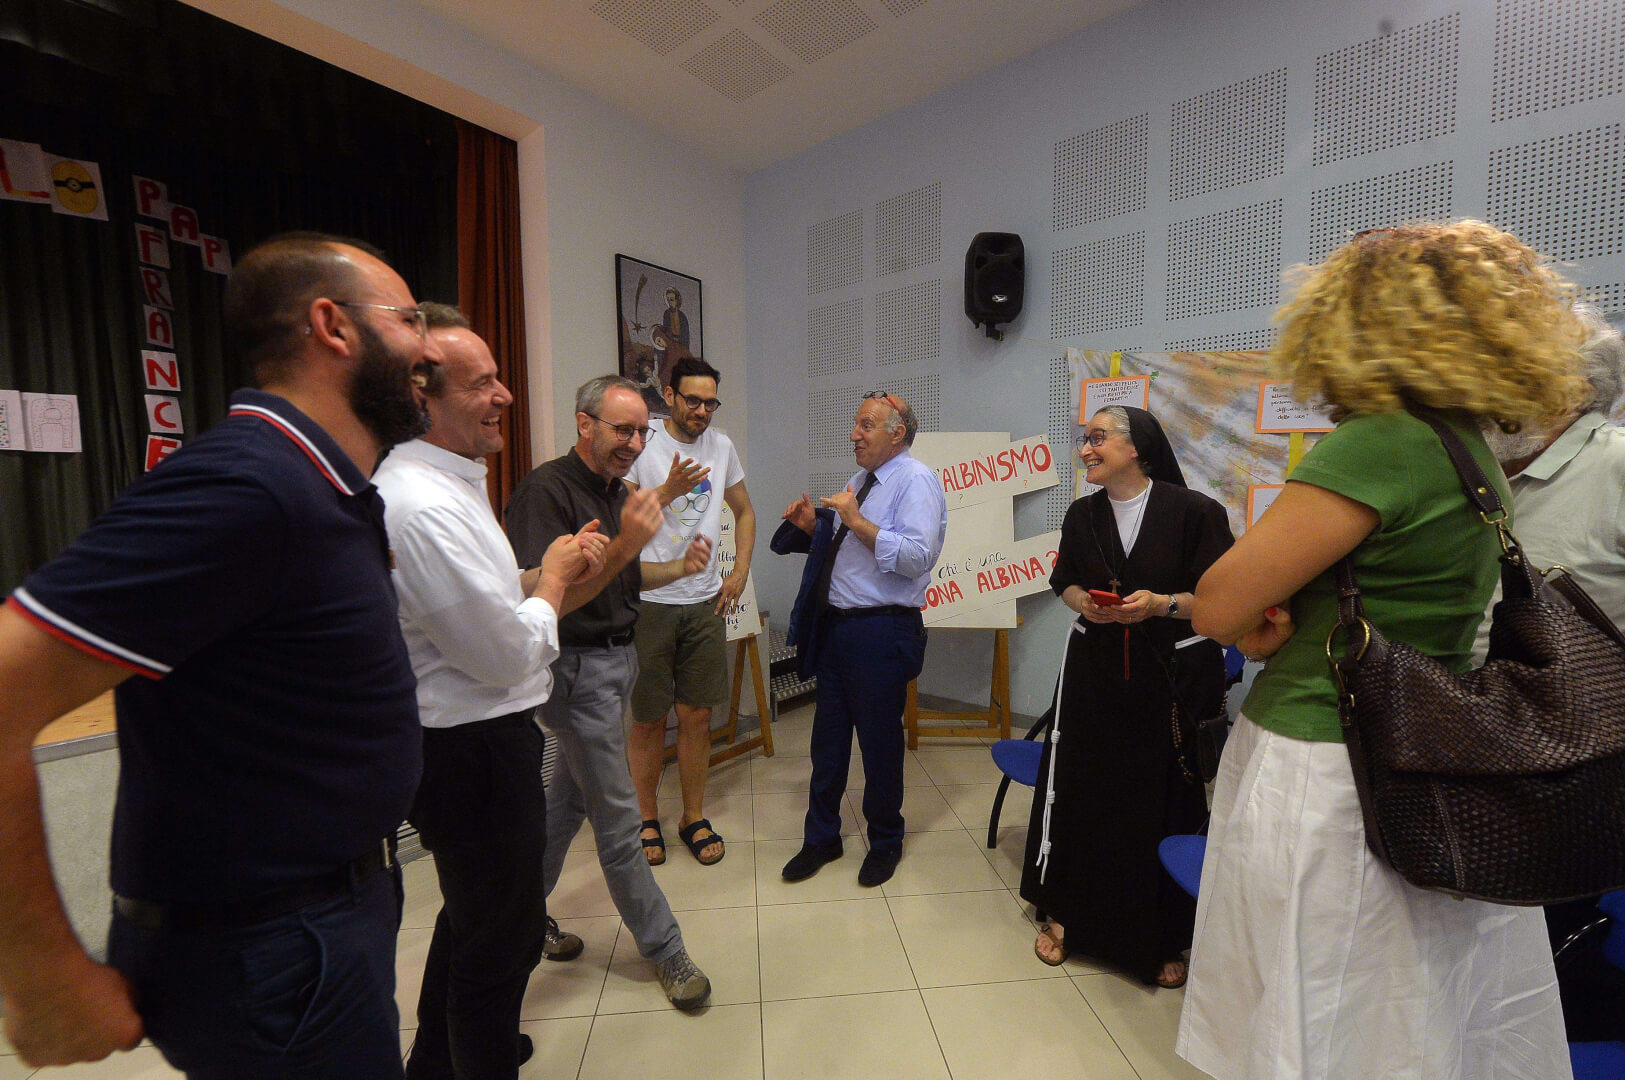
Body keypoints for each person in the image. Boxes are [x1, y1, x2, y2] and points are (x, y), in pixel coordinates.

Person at [0, 232, 442, 1076]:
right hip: (271, 951)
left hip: (322, 921)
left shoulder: (325, 487)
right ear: (333, 326)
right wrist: (41, 978)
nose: (431, 349)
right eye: (411, 319)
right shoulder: (249, 486)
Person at [1177, 220, 1586, 1079]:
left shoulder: (1381, 442)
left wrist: (1251, 626)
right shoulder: (1466, 445)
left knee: (1317, 1001)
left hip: (1326, 757)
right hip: (1423, 751)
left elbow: (1215, 607)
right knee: (1402, 1008)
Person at [373, 305, 609, 1079]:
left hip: (473, 744)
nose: (504, 395)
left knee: (476, 919)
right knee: (502, 941)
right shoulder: (421, 504)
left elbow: (479, 601)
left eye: (498, 377)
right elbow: (505, 654)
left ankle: (437, 1062)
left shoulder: (446, 483)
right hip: (467, 750)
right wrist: (556, 582)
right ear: (422, 397)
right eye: (480, 384)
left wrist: (536, 575)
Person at [504, 375, 715, 1010]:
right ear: (584, 424)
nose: (634, 443)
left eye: (641, 431)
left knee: (566, 806)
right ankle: (667, 949)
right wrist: (630, 542)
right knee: (621, 823)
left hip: (618, 661)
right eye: (622, 429)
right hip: (577, 673)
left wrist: (676, 566)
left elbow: (623, 574)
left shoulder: (616, 492)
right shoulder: (545, 492)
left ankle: (518, 920)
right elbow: (556, 597)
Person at [1019, 405, 1233, 988]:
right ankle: (1068, 913)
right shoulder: (1082, 513)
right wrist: (1082, 603)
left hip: (1168, 683)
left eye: (1097, 438)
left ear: (1137, 447)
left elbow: (1221, 600)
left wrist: (1162, 604)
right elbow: (1063, 580)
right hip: (1095, 677)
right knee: (1085, 792)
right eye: (1083, 439)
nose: (1085, 449)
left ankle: (1162, 935)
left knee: (1158, 800)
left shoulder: (1195, 512)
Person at [1474, 305, 1625, 1042]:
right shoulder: (1476, 477)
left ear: (1571, 387)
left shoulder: (1616, 468)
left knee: (1546, 970)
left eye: (1506, 372)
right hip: (1468, 753)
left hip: (1576, 773)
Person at [771, 392, 947, 888]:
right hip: (839, 630)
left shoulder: (916, 480)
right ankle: (821, 837)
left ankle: (886, 840)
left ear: (897, 432)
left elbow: (916, 558)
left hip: (882, 632)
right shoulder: (861, 481)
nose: (854, 434)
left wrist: (854, 520)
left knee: (879, 745)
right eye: (856, 425)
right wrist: (816, 526)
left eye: (866, 425)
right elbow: (848, 550)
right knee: (827, 744)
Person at [625, 356, 756, 866]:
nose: (702, 411)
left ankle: (692, 816)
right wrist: (667, 491)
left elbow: (744, 511)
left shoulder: (721, 446)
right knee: (649, 719)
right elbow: (623, 519)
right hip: (650, 602)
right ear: (669, 396)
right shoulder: (643, 444)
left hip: (704, 601)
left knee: (697, 715)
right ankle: (646, 818)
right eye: (693, 400)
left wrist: (738, 572)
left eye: (710, 403)